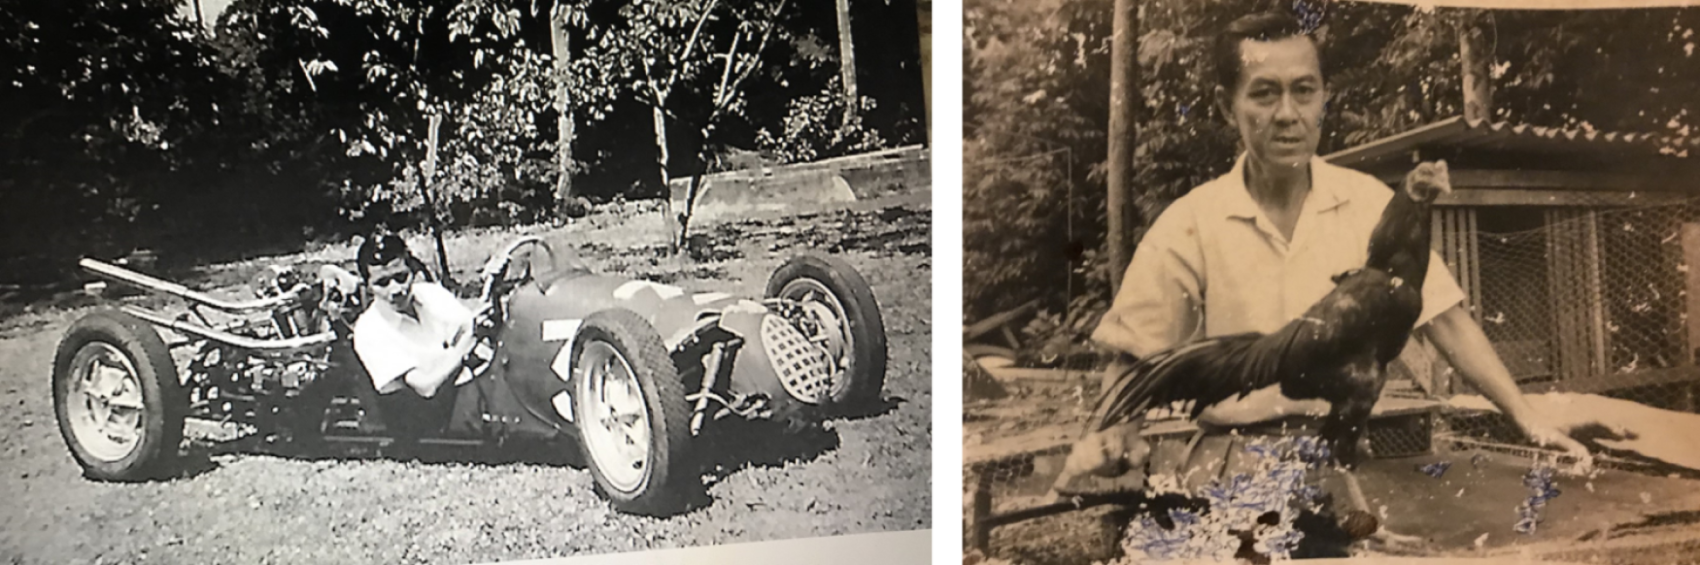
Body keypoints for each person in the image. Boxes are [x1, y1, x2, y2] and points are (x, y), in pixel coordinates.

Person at [1092, 11, 1624, 467]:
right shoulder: (1189, 223)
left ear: (1323, 97)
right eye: (1263, 93)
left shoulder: (1369, 201)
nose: (1287, 115)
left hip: (1346, 450)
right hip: (1231, 456)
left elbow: (1447, 319)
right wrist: (1115, 431)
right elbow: (1132, 350)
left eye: (1304, 91)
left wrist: (1526, 417)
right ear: (1224, 105)